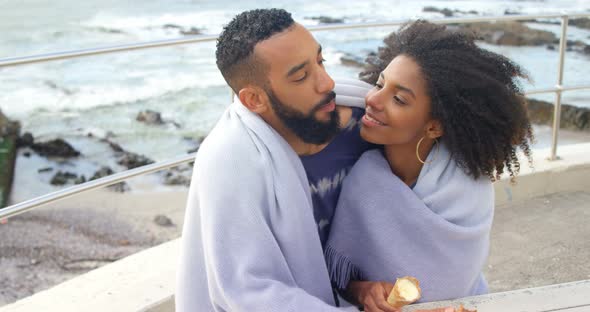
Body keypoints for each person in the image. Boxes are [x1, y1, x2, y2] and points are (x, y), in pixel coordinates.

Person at [325, 20, 534, 312]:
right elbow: (339, 275)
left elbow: (453, 285)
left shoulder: (467, 188)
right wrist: (364, 291)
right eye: (380, 84)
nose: (373, 99)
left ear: (434, 126)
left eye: (398, 98)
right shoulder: (363, 178)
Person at [175, 9, 374, 311]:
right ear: (254, 100)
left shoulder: (366, 121)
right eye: (301, 76)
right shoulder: (229, 160)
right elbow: (248, 292)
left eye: (320, 62)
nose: (327, 83)